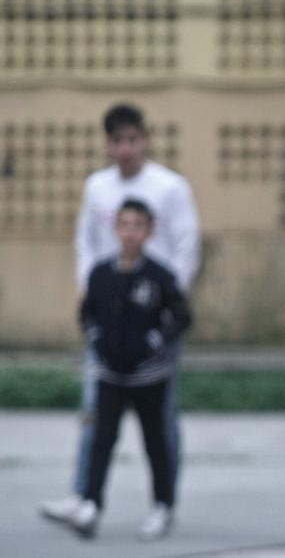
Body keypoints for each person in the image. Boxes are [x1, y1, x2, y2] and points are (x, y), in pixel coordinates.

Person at [40, 103, 201, 528]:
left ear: (145, 140)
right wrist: (96, 300)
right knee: (95, 414)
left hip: (153, 322)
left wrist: (162, 309)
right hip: (110, 323)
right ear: (107, 145)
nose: (125, 149)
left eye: (132, 139)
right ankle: (84, 496)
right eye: (117, 141)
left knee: (160, 421)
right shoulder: (97, 188)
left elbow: (187, 247)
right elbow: (86, 245)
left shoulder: (170, 188)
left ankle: (165, 503)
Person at [64, 199, 192, 539]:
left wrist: (155, 340)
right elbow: (87, 312)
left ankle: (162, 505)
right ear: (116, 229)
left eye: (138, 226)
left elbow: (181, 316)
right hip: (109, 374)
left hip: (149, 376)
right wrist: (96, 338)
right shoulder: (101, 274)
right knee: (101, 438)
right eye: (124, 225)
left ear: (149, 231)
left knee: (156, 441)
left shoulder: (160, 276)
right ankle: (90, 502)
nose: (130, 233)